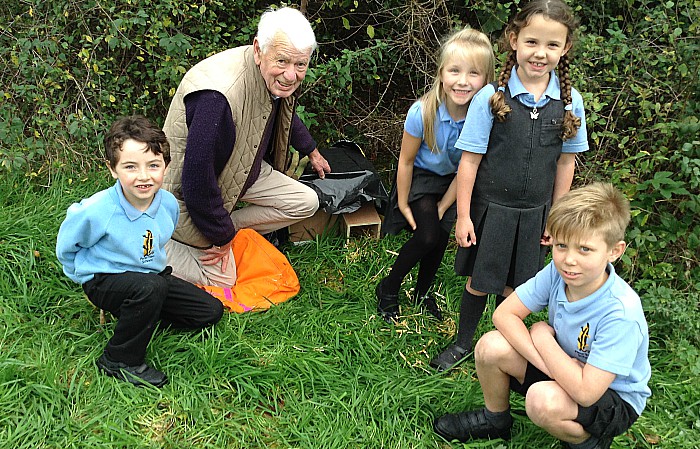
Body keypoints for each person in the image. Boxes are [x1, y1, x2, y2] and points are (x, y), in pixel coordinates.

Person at [430, 0, 589, 371]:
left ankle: (499, 348)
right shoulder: (490, 98)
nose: (540, 53)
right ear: (514, 40)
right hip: (491, 212)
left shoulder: (569, 102)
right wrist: (464, 216)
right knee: (480, 281)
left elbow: (566, 162)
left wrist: (556, 219)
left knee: (515, 289)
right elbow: (469, 162)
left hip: (535, 215)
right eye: (532, 42)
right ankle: (463, 343)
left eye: (552, 45)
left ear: (565, 48)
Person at [433, 182, 651, 449]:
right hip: (563, 366)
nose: (569, 259)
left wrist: (543, 339)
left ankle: (588, 443)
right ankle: (495, 421)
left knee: (541, 400)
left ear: (614, 251)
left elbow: (585, 392)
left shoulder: (621, 312)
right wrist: (549, 365)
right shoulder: (558, 274)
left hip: (610, 398)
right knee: (490, 346)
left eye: (584, 249)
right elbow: (504, 315)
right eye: (561, 245)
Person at [162, 7, 331, 288]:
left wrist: (311, 149)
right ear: (258, 50)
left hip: (242, 170)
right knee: (224, 280)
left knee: (307, 202)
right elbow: (196, 183)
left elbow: (284, 112)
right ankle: (146, 250)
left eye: (300, 65)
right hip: (182, 198)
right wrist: (221, 237)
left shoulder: (270, 73)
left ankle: (226, 226)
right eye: (283, 61)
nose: (291, 75)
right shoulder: (217, 98)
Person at [56, 116, 224, 388]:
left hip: (150, 277)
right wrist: (80, 274)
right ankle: (119, 360)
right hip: (105, 279)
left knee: (209, 312)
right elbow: (68, 244)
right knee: (149, 289)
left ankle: (140, 315)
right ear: (113, 169)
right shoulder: (98, 209)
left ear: (165, 167)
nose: (144, 176)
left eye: (153, 166)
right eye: (131, 167)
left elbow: (158, 242)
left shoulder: (167, 203)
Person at [376, 28, 495, 323]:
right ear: (442, 73)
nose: (463, 81)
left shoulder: (483, 118)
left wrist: (444, 208)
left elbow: (467, 167)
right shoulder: (423, 112)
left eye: (474, 74)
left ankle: (422, 293)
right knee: (427, 235)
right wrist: (402, 203)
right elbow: (405, 161)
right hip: (421, 177)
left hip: (456, 182)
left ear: (487, 80)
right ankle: (388, 288)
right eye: (454, 71)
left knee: (441, 237)